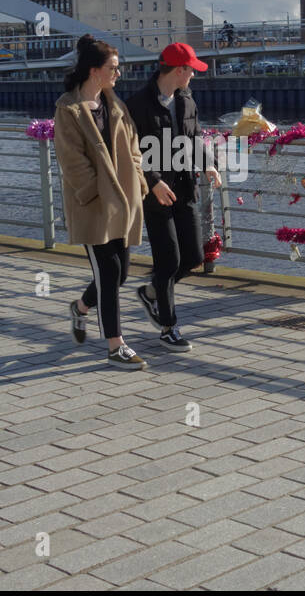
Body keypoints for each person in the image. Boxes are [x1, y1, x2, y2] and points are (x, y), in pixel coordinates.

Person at [54, 35, 150, 370]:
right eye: (113, 68)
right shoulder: (68, 110)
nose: (118, 74)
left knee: (121, 273)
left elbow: (134, 147)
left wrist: (137, 179)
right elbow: (72, 161)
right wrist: (97, 191)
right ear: (94, 71)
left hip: (123, 203)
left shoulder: (115, 105)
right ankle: (115, 346)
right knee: (109, 272)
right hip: (94, 207)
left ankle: (80, 308)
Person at [125, 42, 221, 351]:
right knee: (168, 261)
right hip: (154, 193)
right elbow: (130, 151)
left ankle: (151, 292)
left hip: (184, 187)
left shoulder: (186, 100)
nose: (193, 75)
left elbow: (194, 138)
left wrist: (208, 165)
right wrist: (152, 182)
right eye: (191, 69)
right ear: (179, 70)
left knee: (192, 257)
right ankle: (168, 326)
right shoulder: (137, 104)